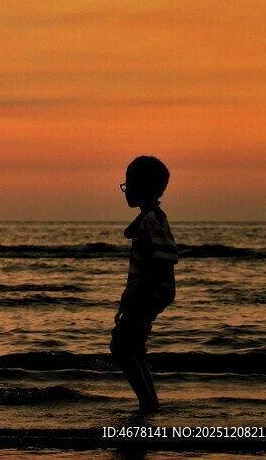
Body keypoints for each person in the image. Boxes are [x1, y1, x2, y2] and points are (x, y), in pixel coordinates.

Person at [110, 155, 178, 413]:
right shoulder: (147, 219)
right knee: (131, 347)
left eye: (129, 184)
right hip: (146, 291)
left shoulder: (153, 220)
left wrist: (138, 293)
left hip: (150, 290)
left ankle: (148, 403)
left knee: (122, 347)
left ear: (143, 188)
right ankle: (149, 403)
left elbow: (164, 260)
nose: (126, 190)